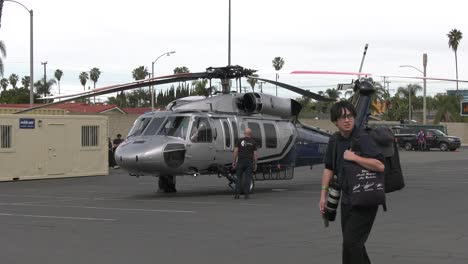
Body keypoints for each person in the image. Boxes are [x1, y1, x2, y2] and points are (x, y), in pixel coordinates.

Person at [319, 101, 385, 264]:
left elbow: (380, 166)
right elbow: (329, 168)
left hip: (365, 198)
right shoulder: (334, 140)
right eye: (342, 117)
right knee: (352, 244)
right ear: (335, 121)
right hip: (347, 200)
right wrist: (323, 196)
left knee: (352, 243)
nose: (347, 120)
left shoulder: (363, 138)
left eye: (349, 116)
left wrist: (355, 157)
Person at [232, 127, 258, 199]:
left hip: (240, 161)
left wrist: (234, 161)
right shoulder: (253, 142)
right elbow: (255, 154)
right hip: (249, 162)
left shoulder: (240, 141)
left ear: (245, 133)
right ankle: (247, 194)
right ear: (250, 134)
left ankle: (237, 194)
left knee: (238, 178)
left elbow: (235, 151)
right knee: (248, 178)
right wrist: (255, 163)